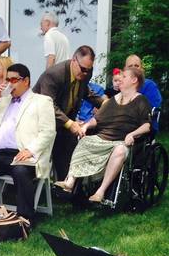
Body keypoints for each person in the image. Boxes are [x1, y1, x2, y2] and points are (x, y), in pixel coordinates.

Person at [54, 66, 151, 203]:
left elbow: (147, 126)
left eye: (124, 77)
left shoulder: (141, 101)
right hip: (103, 137)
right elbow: (97, 119)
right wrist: (86, 125)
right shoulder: (112, 100)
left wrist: (132, 134)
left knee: (120, 150)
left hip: (121, 141)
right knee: (84, 141)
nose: (119, 80)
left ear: (134, 80)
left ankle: (101, 191)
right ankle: (70, 182)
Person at [0, 63, 56, 225]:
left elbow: (48, 132)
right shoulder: (3, 100)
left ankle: (24, 220)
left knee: (21, 172)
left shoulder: (41, 101)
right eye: (7, 80)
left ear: (26, 81)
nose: (9, 84)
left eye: (14, 80)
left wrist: (31, 149)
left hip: (21, 153)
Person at [32, 45, 104, 182]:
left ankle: (69, 187)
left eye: (88, 70)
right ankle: (64, 186)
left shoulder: (85, 71)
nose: (85, 74)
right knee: (64, 145)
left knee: (72, 146)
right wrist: (70, 123)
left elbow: (85, 92)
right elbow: (48, 105)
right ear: (73, 60)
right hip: (41, 122)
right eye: (83, 69)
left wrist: (105, 104)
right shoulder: (53, 75)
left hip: (64, 120)